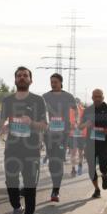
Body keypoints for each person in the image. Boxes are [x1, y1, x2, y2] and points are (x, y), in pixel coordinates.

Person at [0, 66, 48, 214]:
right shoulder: (7, 100)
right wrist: (4, 126)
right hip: (12, 147)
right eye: (19, 75)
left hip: (31, 149)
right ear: (15, 80)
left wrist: (31, 123)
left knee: (29, 184)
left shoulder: (38, 100)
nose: (22, 77)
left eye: (25, 75)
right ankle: (17, 207)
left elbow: (44, 126)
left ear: (30, 80)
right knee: (11, 181)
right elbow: (2, 122)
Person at [43, 73, 77, 202]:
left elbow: (76, 110)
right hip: (49, 134)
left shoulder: (68, 96)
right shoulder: (45, 97)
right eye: (51, 82)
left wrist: (76, 121)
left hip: (63, 133)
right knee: (52, 162)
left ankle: (55, 190)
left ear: (61, 82)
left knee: (58, 160)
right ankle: (55, 186)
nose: (53, 84)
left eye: (55, 82)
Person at [83, 90, 107, 198]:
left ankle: (104, 175)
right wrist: (86, 124)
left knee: (103, 166)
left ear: (103, 97)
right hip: (90, 143)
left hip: (105, 143)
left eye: (99, 96)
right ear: (92, 97)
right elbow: (79, 126)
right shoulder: (87, 110)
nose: (97, 98)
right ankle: (97, 189)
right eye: (95, 96)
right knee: (91, 169)